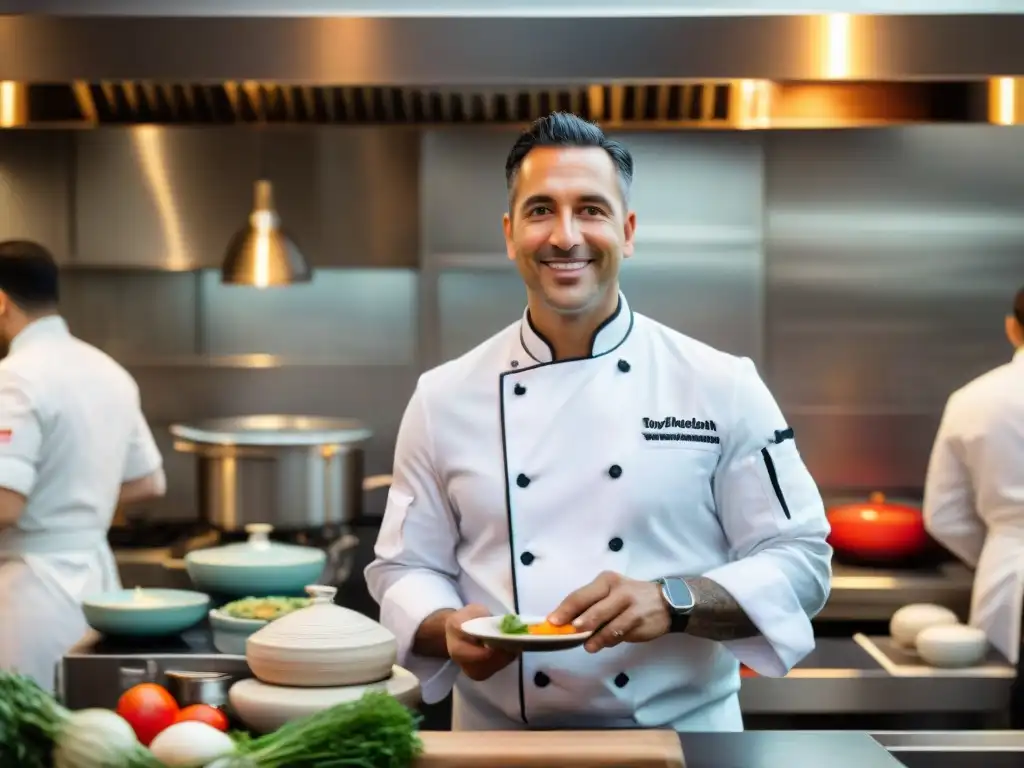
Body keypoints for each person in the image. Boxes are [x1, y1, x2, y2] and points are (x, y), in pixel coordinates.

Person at [365, 112, 833, 732]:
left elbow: (801, 561)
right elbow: (405, 568)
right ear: (510, 234)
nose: (565, 236)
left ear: (628, 230)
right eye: (540, 211)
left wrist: (673, 601)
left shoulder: (721, 383)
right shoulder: (442, 396)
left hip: (680, 743)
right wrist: (445, 626)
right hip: (500, 747)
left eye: (590, 209)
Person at [0, 240, 166, 693]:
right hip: (97, 589)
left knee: (29, 741)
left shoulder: (15, 377)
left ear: (1, 302)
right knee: (86, 735)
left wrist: (49, 506)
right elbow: (147, 481)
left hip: (29, 597)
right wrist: (75, 499)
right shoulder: (108, 369)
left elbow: (5, 506)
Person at [923, 285, 1024, 728]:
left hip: (1011, 576)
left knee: (1009, 729)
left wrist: (1001, 549)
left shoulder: (975, 399)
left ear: (1012, 327)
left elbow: (942, 513)